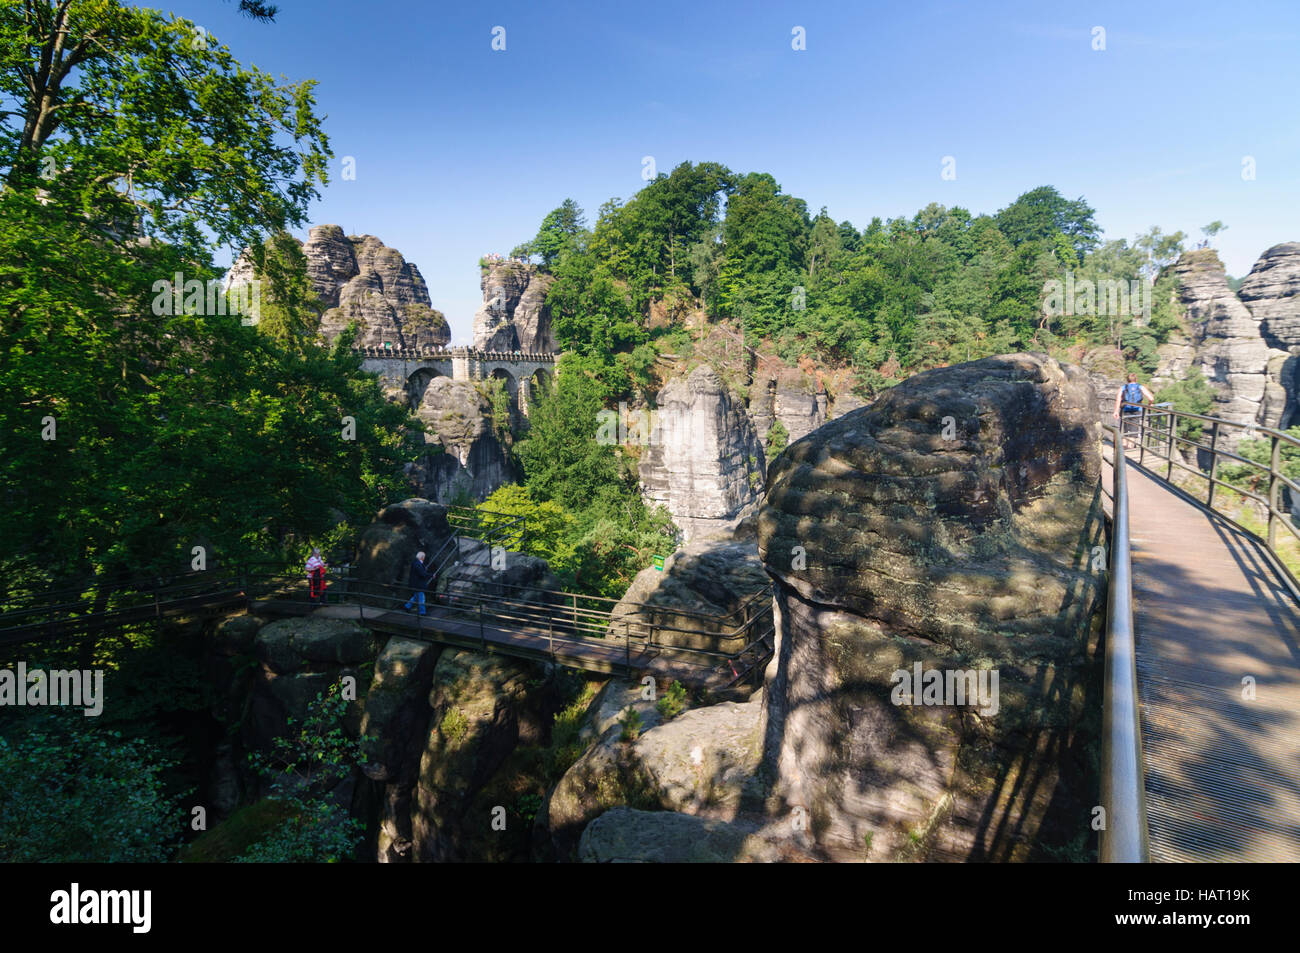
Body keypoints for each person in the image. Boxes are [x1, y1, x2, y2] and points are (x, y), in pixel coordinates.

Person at [1113, 373, 1155, 450]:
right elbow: (1151, 398)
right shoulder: (1140, 387)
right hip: (1137, 410)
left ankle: (1123, 446)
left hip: (1125, 410)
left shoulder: (1123, 387)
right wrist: (1150, 404)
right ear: (1136, 379)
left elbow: (1118, 399)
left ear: (1127, 380)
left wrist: (1116, 411)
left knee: (1124, 427)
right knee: (1134, 427)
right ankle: (1130, 446)